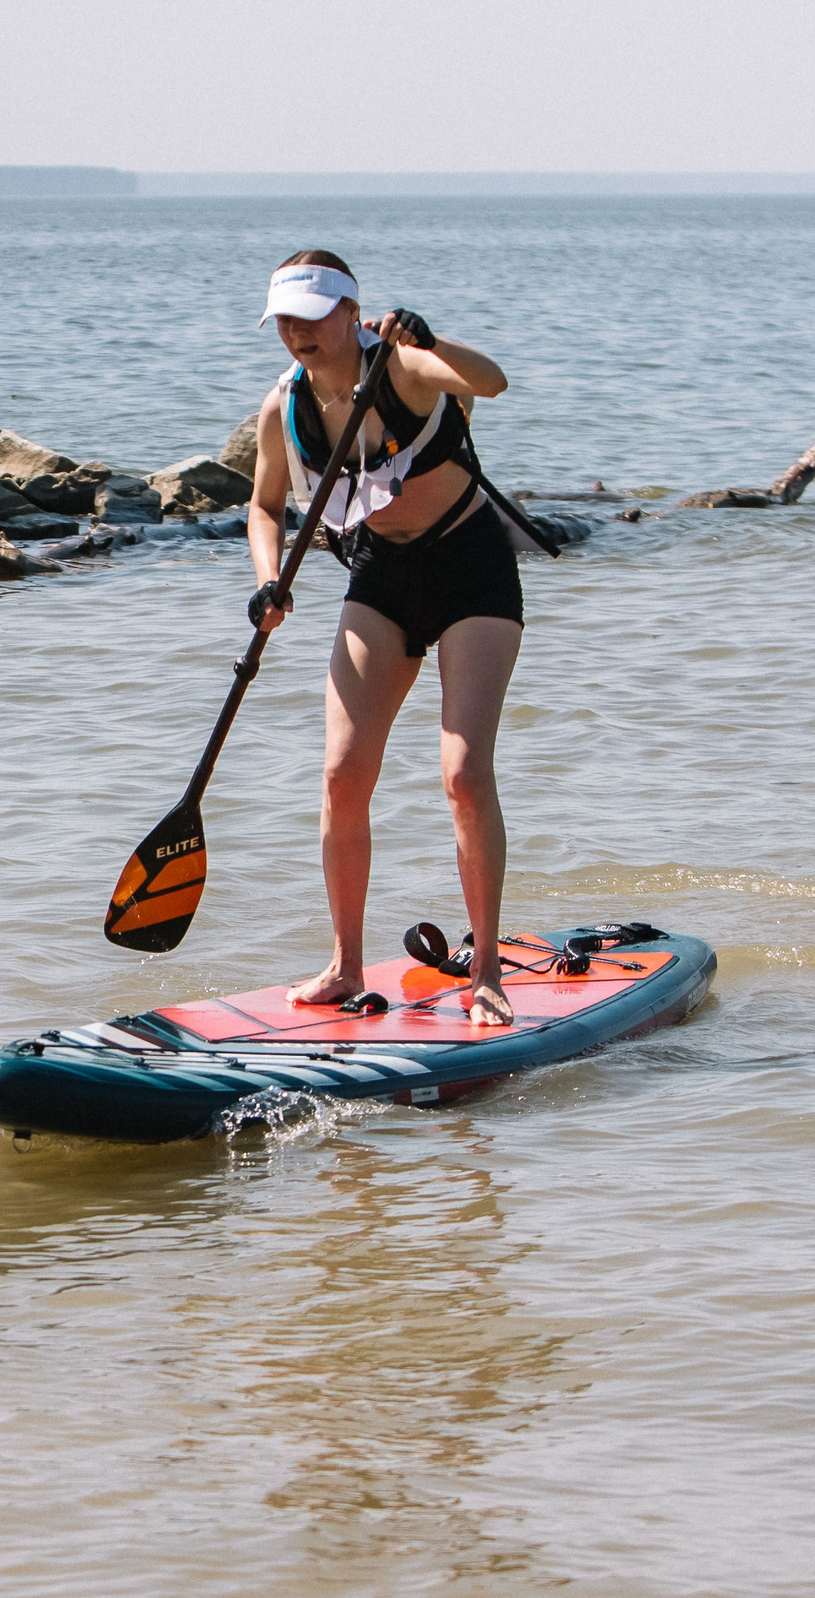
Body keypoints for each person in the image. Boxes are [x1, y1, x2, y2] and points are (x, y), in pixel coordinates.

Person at [245, 251, 522, 1025]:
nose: (296, 333)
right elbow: (264, 506)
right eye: (283, 321)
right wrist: (269, 580)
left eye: (311, 316)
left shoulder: (402, 366)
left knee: (464, 772)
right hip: (381, 575)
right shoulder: (284, 406)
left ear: (349, 313)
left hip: (471, 567)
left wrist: (432, 340)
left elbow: (492, 382)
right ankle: (344, 962)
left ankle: (488, 973)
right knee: (340, 772)